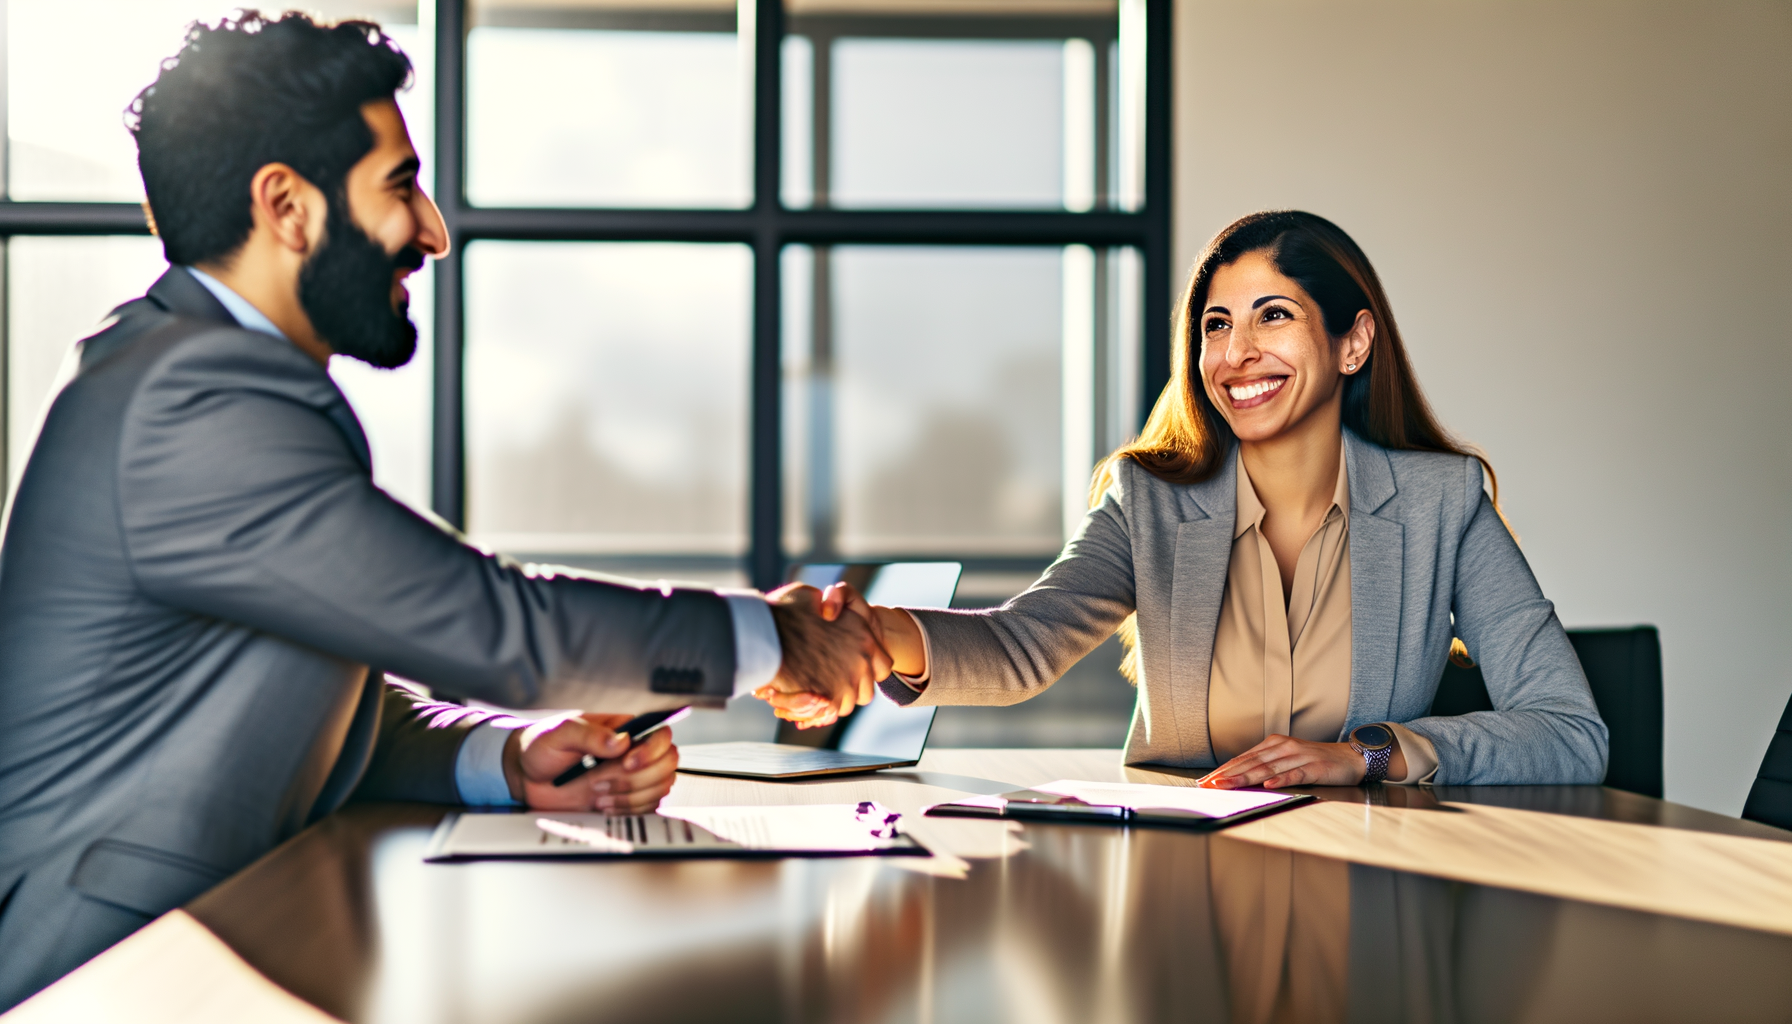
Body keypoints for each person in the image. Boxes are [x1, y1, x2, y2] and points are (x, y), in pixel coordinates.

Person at [0, 12, 877, 1008]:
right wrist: (770, 641)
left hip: (220, 940)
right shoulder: (191, 400)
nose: (432, 232)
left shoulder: (190, 375)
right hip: (111, 976)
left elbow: (327, 686)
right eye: (398, 185)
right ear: (286, 205)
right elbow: (488, 623)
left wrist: (506, 758)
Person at [766, 211, 1608, 789]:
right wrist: (873, 635)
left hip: (1377, 882)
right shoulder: (1150, 500)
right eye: (1214, 324)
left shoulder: (1442, 503)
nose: (1236, 353)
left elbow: (1571, 732)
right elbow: (1022, 645)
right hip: (1184, 880)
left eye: (1272, 316)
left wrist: (1369, 755)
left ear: (1353, 343)